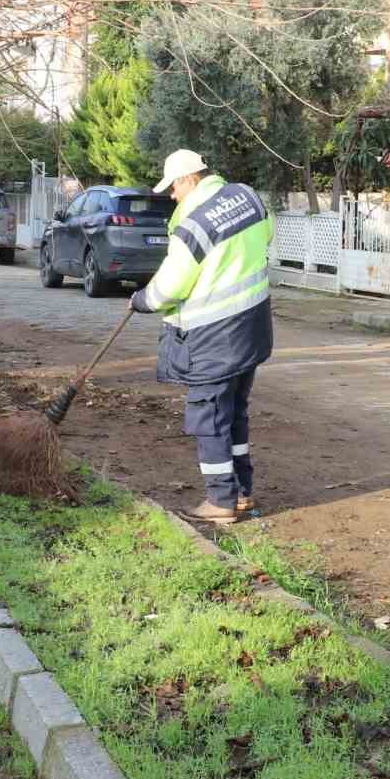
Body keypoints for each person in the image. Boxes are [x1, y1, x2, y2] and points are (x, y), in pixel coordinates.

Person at [129, 149, 274, 525]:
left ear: (188, 179)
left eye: (173, 189)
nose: (172, 197)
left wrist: (143, 299)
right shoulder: (248, 197)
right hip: (252, 330)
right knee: (235, 413)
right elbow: (266, 236)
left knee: (208, 418)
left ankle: (220, 501)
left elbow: (171, 286)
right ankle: (242, 492)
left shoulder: (193, 224)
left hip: (213, 338)